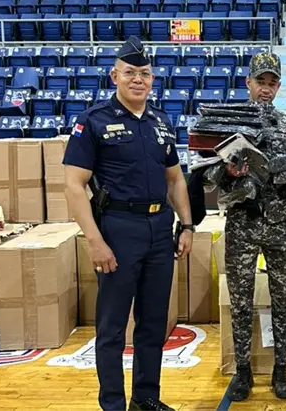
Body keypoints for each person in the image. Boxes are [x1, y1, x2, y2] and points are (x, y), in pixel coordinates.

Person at [63, 36, 194, 411]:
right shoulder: (93, 122)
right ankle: (113, 405)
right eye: (131, 73)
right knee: (112, 327)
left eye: (146, 74)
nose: (139, 79)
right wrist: (93, 239)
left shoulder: (161, 122)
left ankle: (146, 399)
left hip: (159, 230)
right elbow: (74, 184)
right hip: (117, 229)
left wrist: (186, 226)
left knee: (153, 324)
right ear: (114, 76)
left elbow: (176, 179)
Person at [222, 53, 286, 402]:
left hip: (278, 226)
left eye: (272, 82)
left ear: (278, 85)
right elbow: (211, 176)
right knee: (240, 302)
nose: (266, 88)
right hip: (242, 223)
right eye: (261, 81)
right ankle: (243, 371)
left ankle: (282, 369)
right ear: (248, 83)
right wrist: (228, 172)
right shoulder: (230, 123)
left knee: (281, 301)